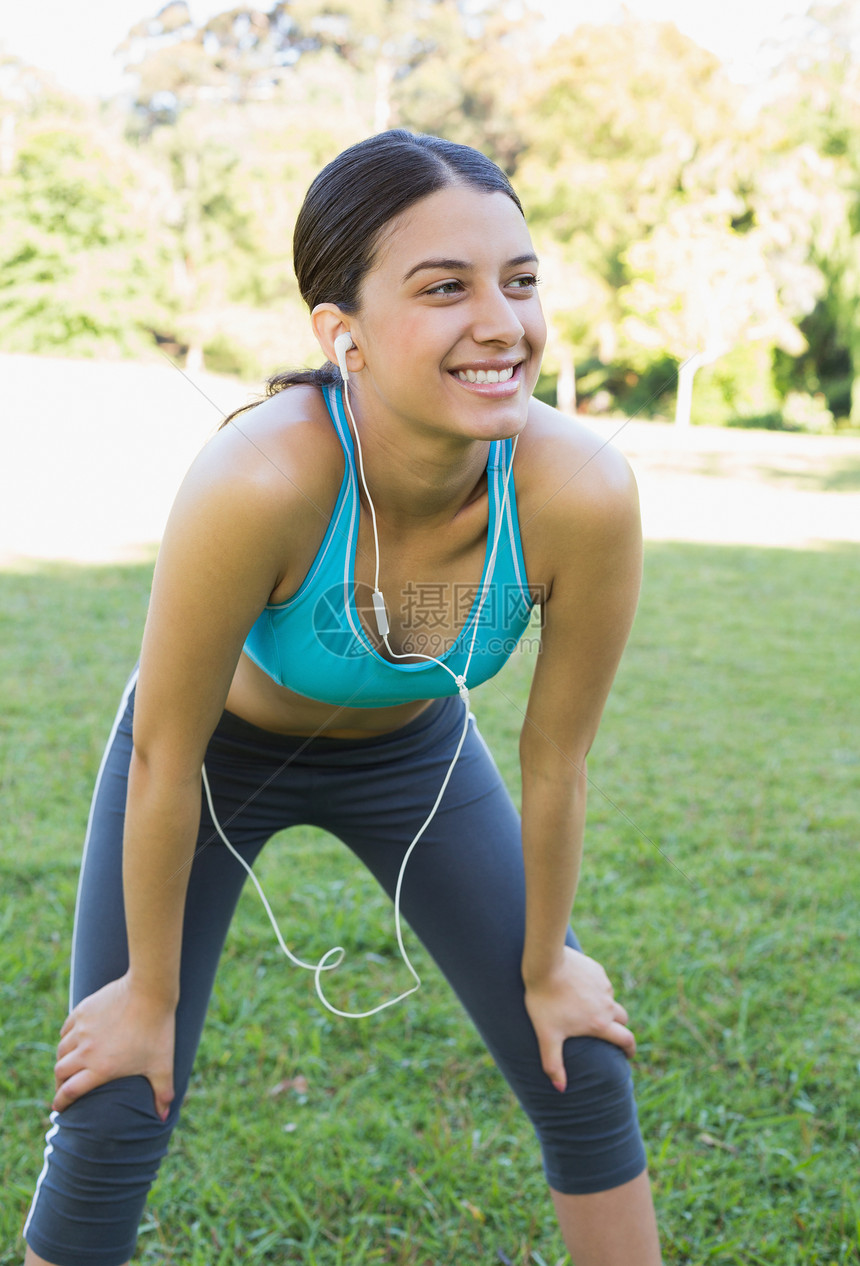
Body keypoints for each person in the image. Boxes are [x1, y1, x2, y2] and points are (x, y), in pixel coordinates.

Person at [23, 129, 662, 1266]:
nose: (501, 323)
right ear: (342, 332)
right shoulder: (258, 478)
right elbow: (165, 753)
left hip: (415, 758)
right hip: (210, 763)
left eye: (519, 282)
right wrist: (147, 992)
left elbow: (555, 760)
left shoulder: (580, 492)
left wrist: (549, 961)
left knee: (580, 1057)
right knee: (118, 1092)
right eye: (443, 288)